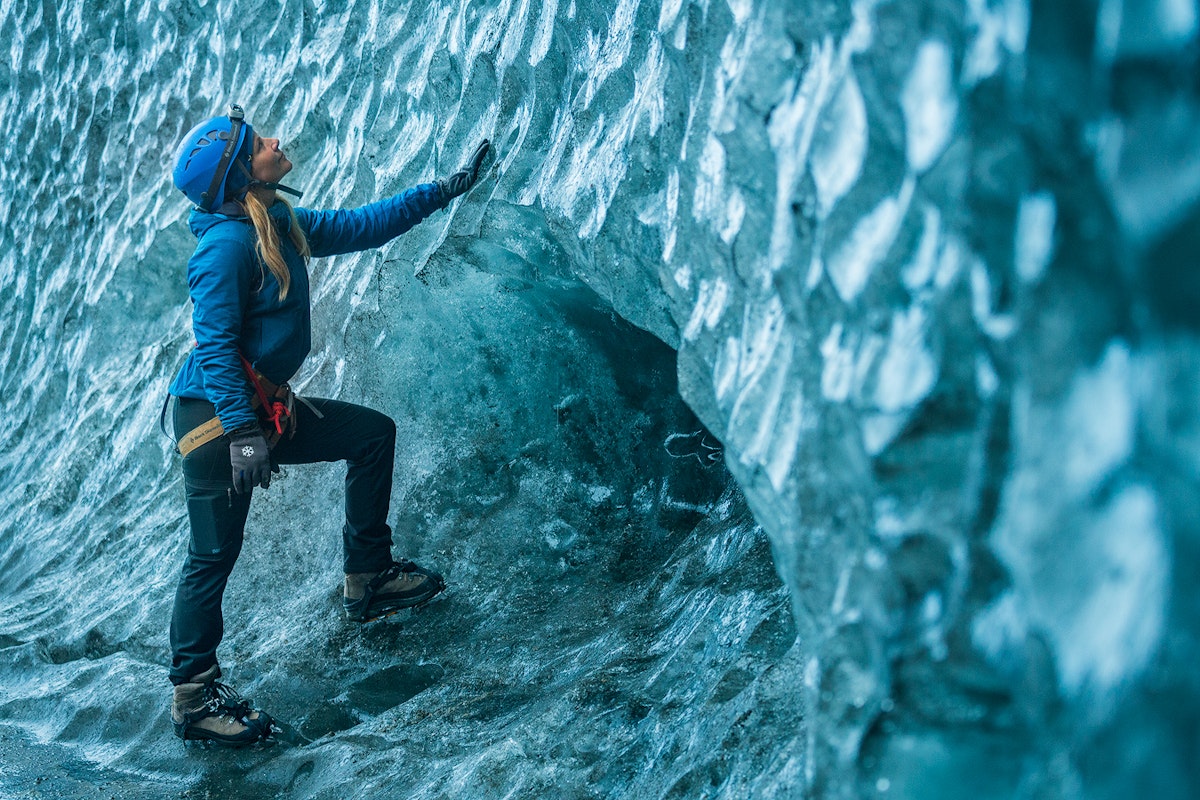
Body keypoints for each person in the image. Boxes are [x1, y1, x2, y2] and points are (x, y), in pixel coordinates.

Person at [162, 103, 489, 747]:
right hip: (216, 426)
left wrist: (443, 191)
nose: (274, 142)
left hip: (258, 412)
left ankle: (368, 578)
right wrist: (246, 435)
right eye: (258, 145)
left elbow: (360, 225)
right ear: (241, 176)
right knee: (212, 557)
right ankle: (193, 697)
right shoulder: (224, 249)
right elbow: (218, 348)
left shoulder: (274, 223)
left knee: (371, 435)